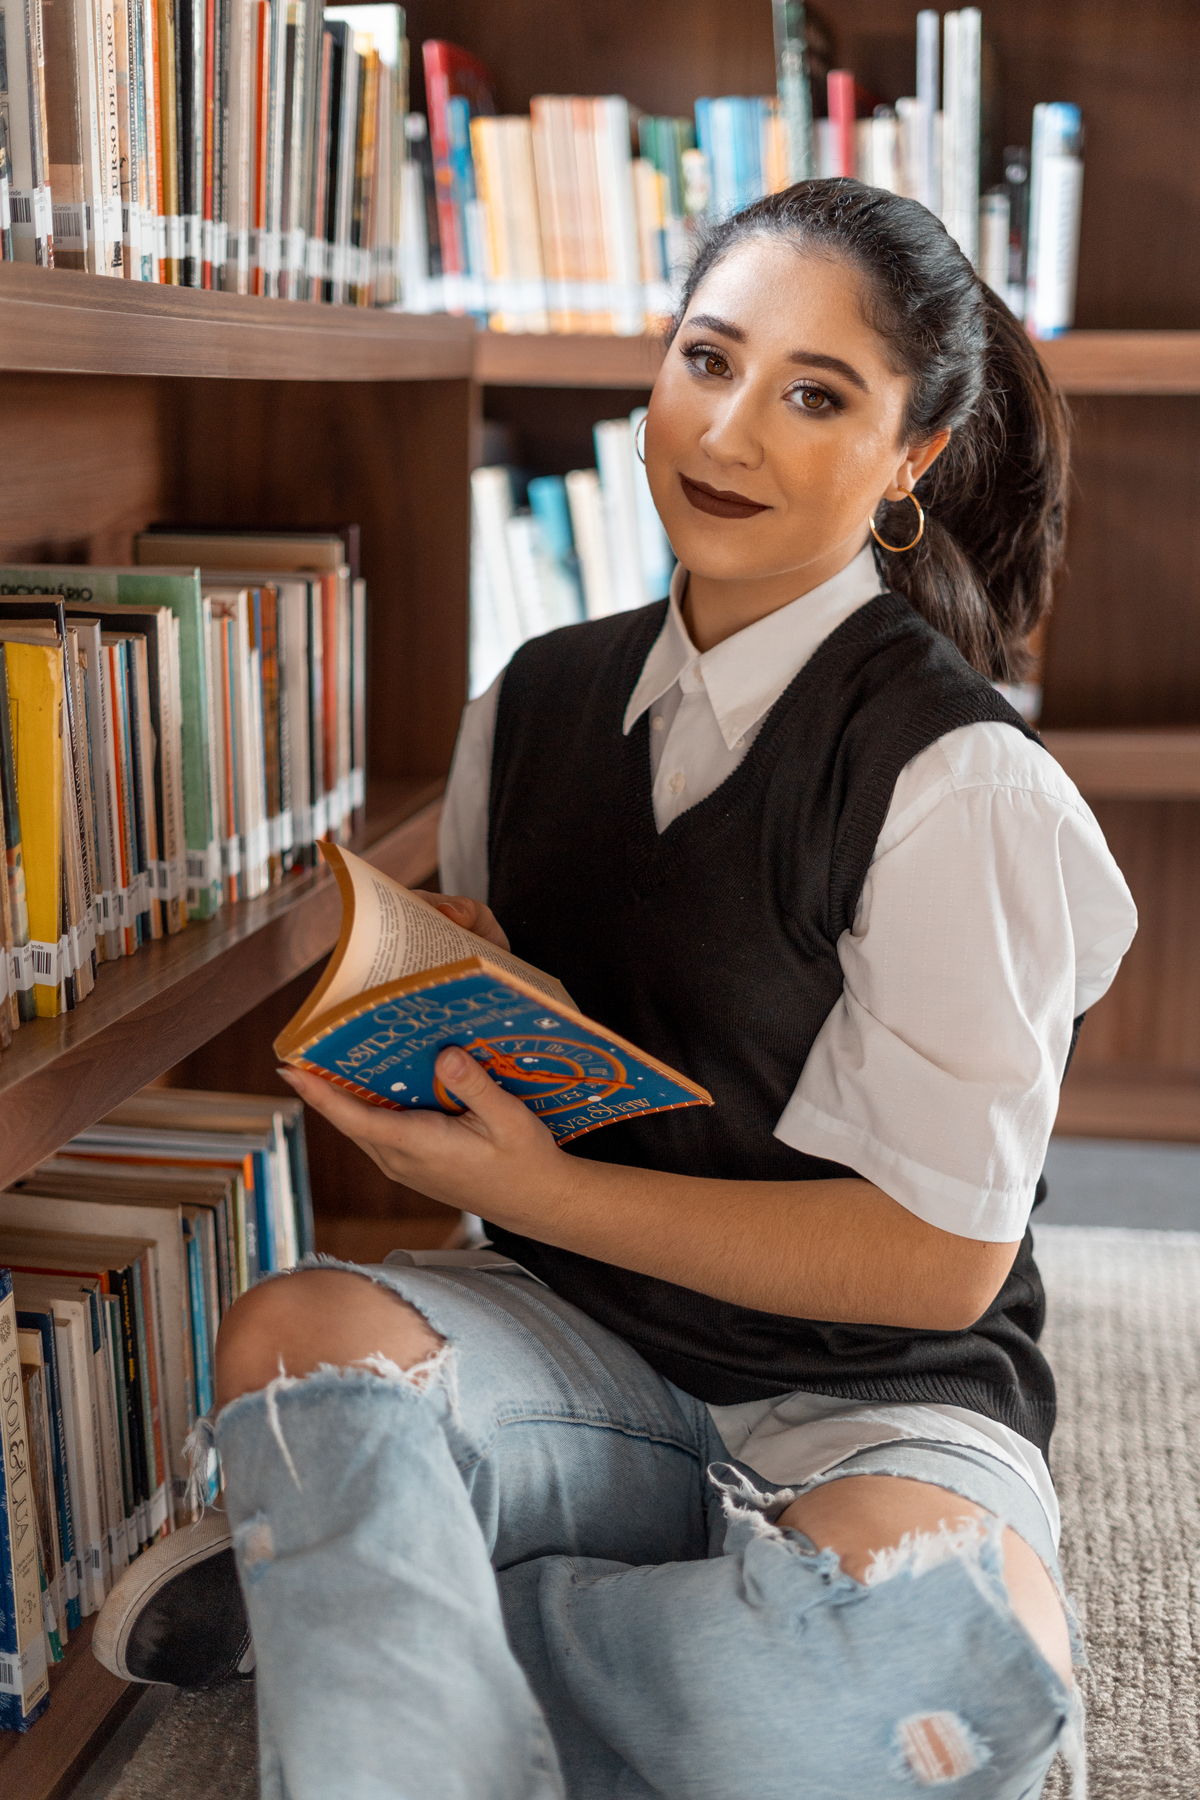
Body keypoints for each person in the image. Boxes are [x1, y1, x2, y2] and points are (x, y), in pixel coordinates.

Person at [96, 180, 1136, 1799]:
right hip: (579, 1357)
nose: (728, 430)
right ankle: (396, 1609)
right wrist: (450, 1035)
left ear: (912, 456)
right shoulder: (528, 705)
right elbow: (540, 1115)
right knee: (298, 1337)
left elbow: (939, 1269)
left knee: (951, 1672)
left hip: (873, 1402)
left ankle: (389, 1625)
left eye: (815, 395)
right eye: (706, 360)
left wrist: (543, 1192)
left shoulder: (962, 784)